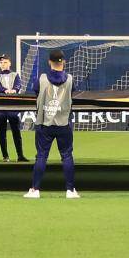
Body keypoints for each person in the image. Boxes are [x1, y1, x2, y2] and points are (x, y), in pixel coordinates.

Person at [25, 49, 78, 199]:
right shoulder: (70, 79)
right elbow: (73, 92)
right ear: (64, 62)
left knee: (41, 156)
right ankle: (70, 190)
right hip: (63, 123)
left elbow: (35, 91)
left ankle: (35, 190)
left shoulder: (42, 78)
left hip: (44, 123)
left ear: (49, 62)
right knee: (67, 156)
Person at [0, 53, 27, 162]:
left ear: (9, 63)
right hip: (1, 107)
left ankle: (20, 155)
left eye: (5, 62)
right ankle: (5, 156)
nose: (2, 64)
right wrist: (5, 90)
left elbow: (18, 84)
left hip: (12, 107)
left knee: (16, 132)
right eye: (0, 62)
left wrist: (14, 90)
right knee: (2, 133)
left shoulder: (15, 75)